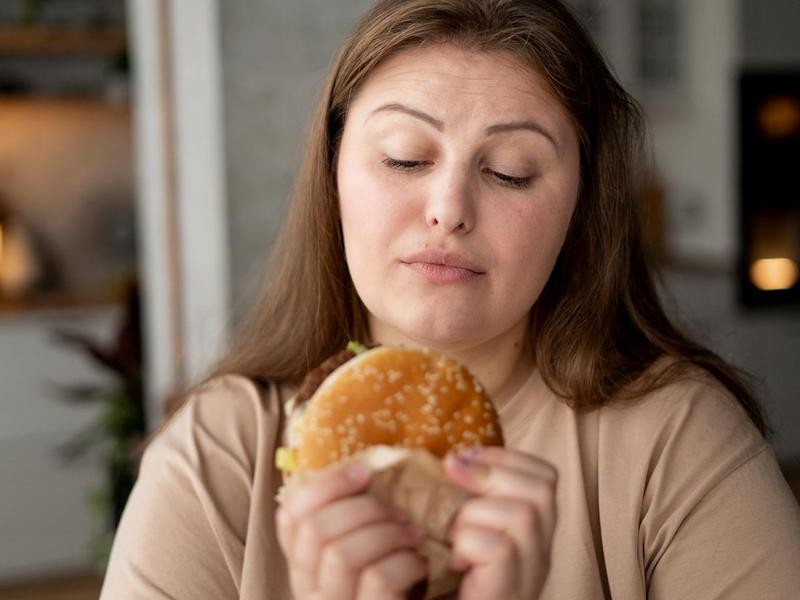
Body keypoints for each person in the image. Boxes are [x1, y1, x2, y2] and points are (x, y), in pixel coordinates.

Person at [100, 1, 800, 598]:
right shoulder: (217, 457)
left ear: (580, 207)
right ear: (333, 172)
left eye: (510, 172)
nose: (449, 209)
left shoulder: (678, 443)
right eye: (406, 156)